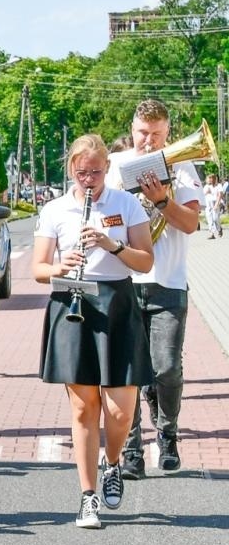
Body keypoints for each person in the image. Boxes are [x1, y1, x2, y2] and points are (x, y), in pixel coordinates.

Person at [32, 134, 154, 529]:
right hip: (73, 302)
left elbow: (145, 261)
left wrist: (111, 245)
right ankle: (87, 497)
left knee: (120, 410)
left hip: (116, 303)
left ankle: (112, 462)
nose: (89, 180)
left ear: (107, 169)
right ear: (72, 168)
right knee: (84, 407)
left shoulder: (126, 203)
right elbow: (38, 269)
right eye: (82, 173)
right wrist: (61, 266)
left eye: (96, 173)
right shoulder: (55, 209)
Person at [110, 100, 202, 479]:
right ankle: (131, 450)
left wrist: (161, 199)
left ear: (168, 134)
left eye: (157, 134)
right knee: (128, 370)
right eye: (142, 133)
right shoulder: (115, 166)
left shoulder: (182, 166)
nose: (148, 141)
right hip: (124, 281)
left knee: (166, 367)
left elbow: (191, 223)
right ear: (132, 129)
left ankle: (167, 434)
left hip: (168, 281)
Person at [202, 172, 223, 238]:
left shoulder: (219, 185)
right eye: (209, 178)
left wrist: (217, 204)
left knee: (215, 218)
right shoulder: (206, 186)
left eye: (211, 178)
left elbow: (220, 195)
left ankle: (219, 229)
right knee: (209, 219)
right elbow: (202, 195)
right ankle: (212, 233)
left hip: (215, 203)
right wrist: (207, 192)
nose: (210, 180)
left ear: (214, 179)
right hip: (208, 204)